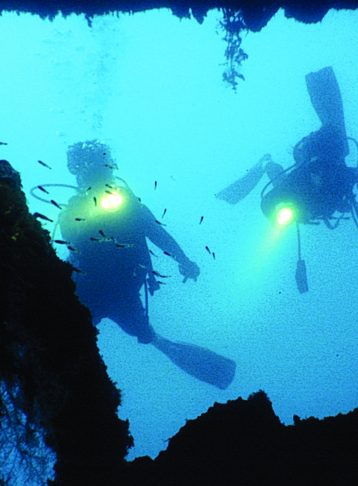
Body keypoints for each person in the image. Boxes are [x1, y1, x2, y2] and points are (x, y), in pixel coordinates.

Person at [58, 140, 235, 388]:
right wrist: (85, 224)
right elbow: (68, 237)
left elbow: (156, 232)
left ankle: (168, 347)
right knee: (72, 334)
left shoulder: (127, 204)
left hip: (122, 290)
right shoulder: (74, 208)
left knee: (144, 334)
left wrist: (183, 260)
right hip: (89, 288)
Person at [217, 66, 358, 232]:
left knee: (338, 142)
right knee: (279, 178)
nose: (320, 175)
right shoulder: (297, 180)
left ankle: (326, 120)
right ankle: (266, 164)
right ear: (309, 169)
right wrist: (279, 216)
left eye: (324, 171)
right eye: (315, 171)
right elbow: (266, 203)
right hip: (302, 202)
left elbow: (357, 174)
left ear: (331, 169)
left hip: (321, 198)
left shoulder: (341, 175)